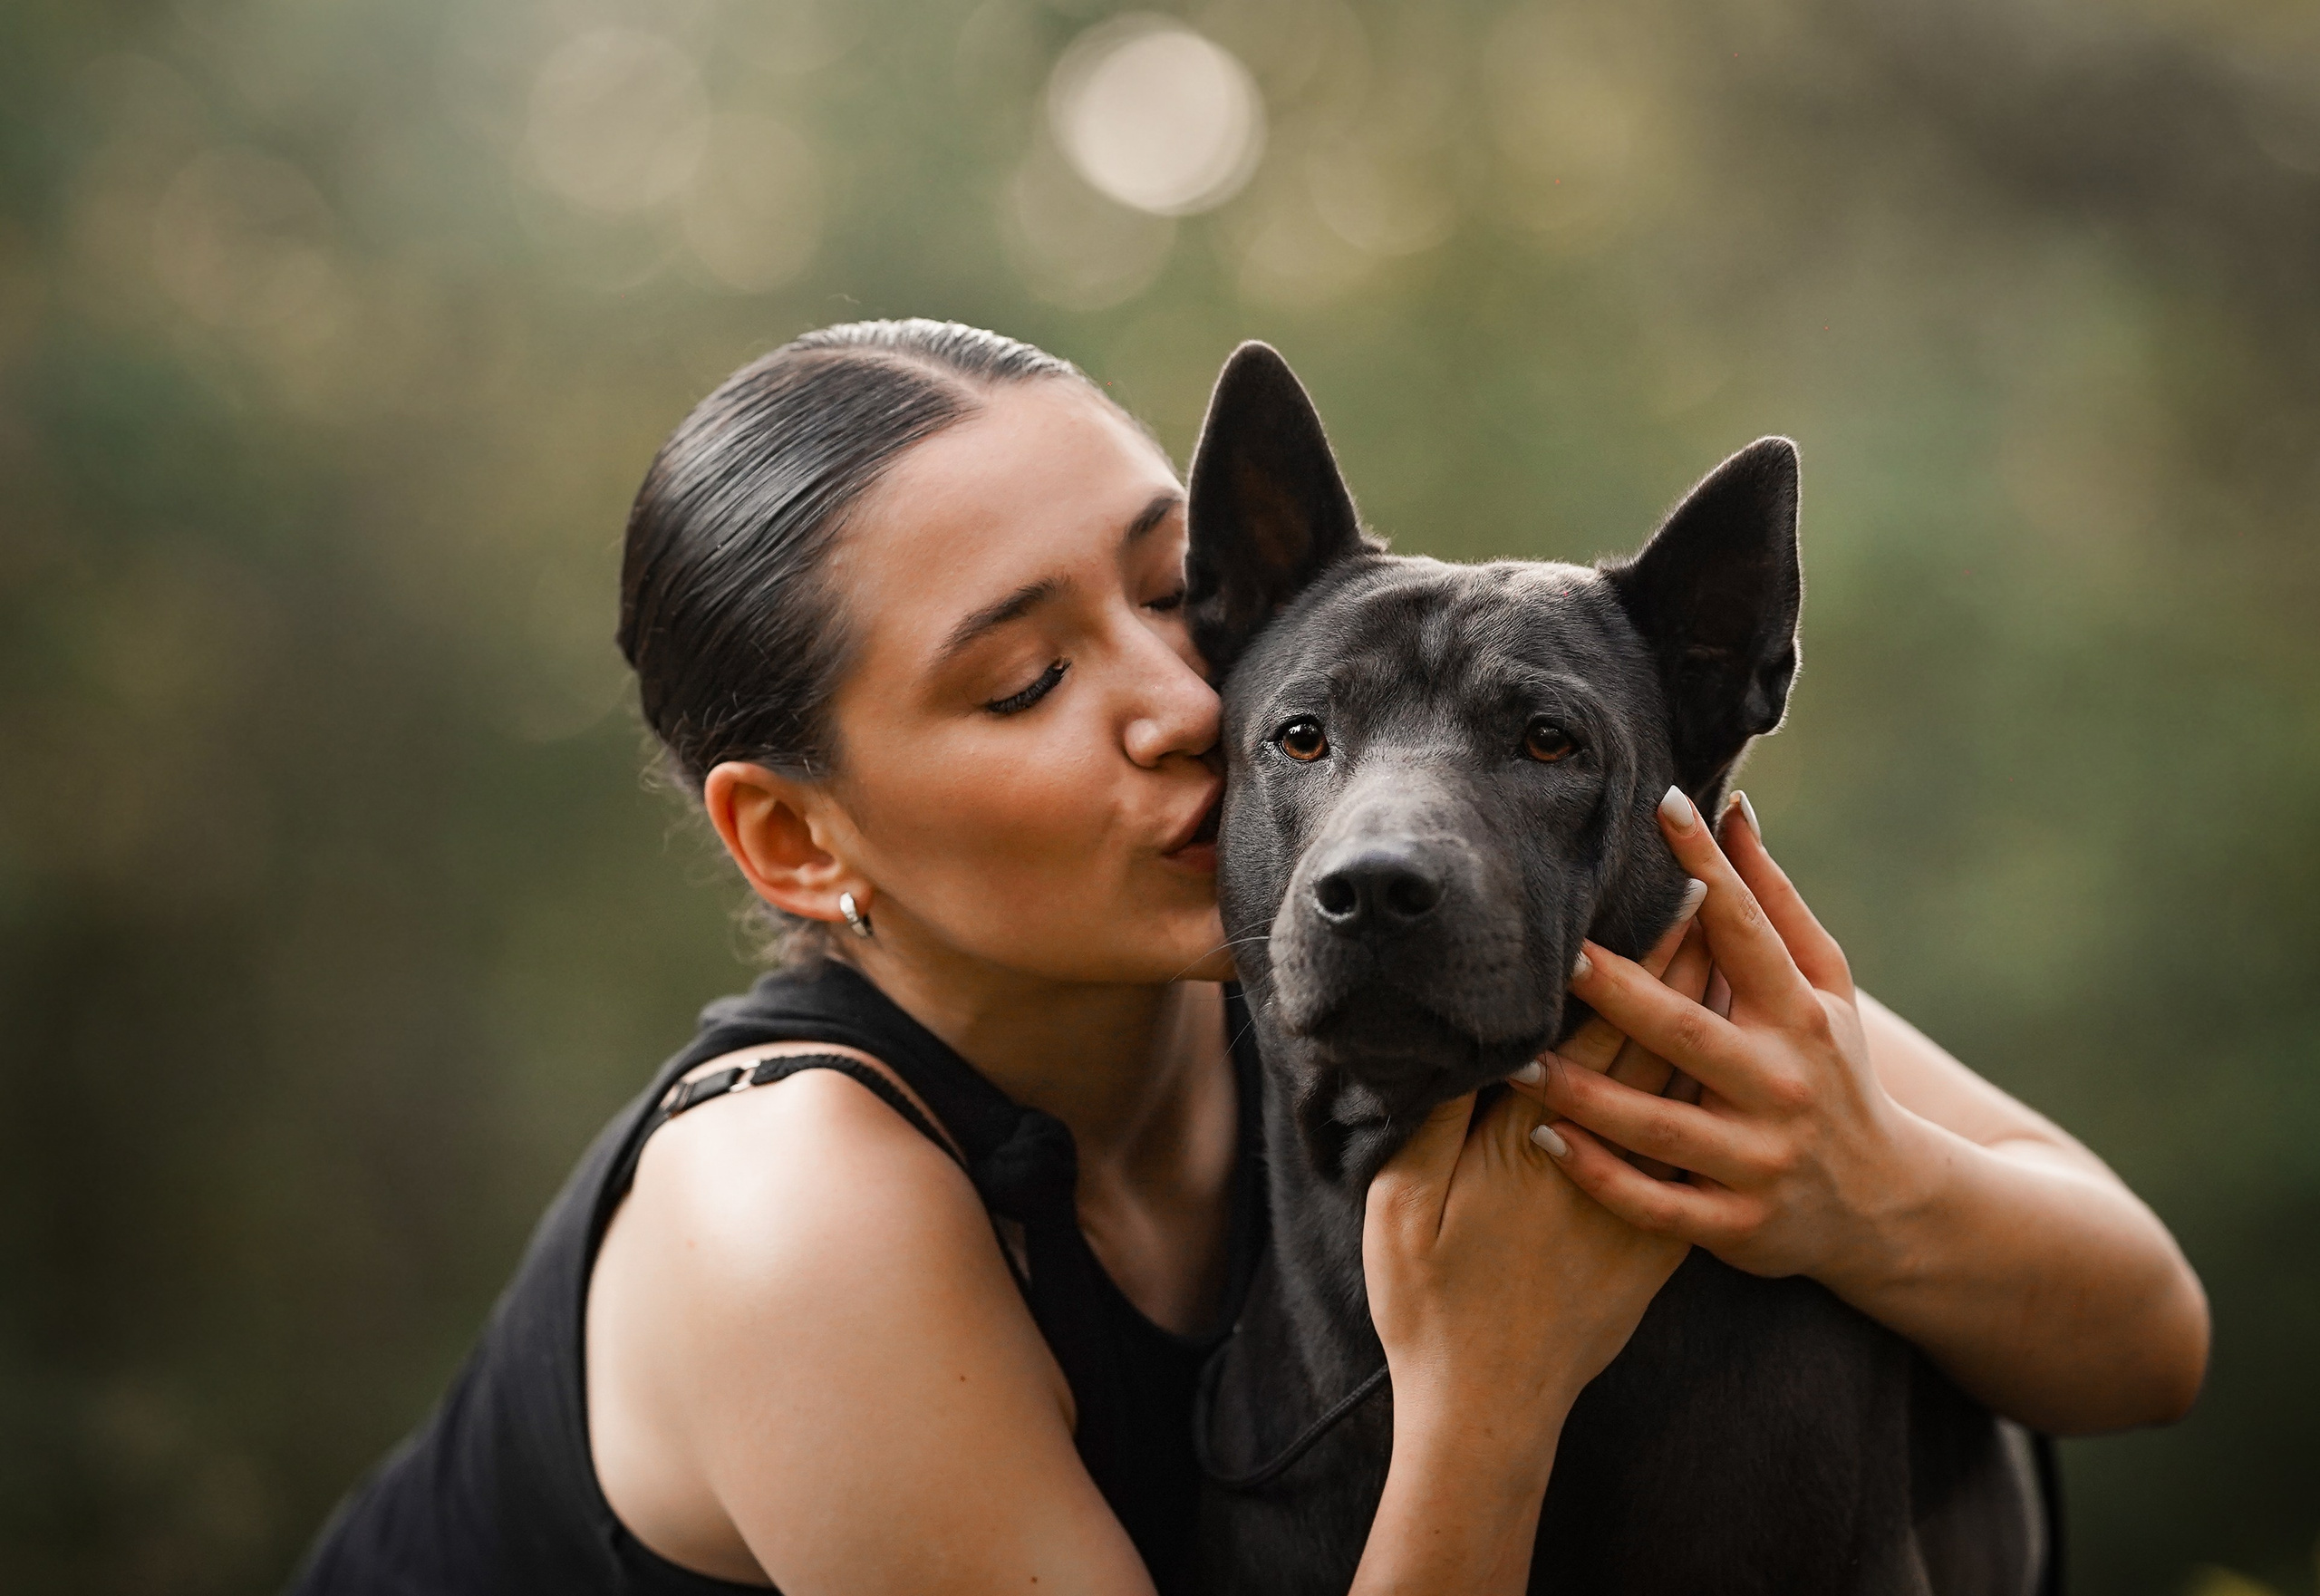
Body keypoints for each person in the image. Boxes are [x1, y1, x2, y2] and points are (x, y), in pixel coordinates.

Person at [291, 320, 2206, 1595]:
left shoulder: (1342, 917)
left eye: (1172, 591)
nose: (1181, 705)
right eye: (1026, 677)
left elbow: (2140, 1334)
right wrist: (1483, 1399)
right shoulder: (796, 1220)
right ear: (798, 838)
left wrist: (1850, 1191)